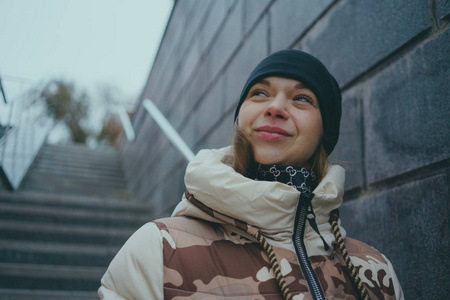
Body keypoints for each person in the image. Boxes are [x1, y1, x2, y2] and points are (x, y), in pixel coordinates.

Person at [99, 50, 404, 300]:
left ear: (325, 131)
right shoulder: (160, 250)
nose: (275, 107)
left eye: (302, 99)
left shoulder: (375, 271)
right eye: (259, 93)